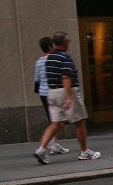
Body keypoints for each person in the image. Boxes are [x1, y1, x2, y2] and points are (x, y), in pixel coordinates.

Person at [33, 31, 100, 164]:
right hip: (66, 91)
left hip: (52, 92)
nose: (69, 43)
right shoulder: (65, 57)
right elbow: (65, 77)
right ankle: (84, 151)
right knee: (79, 121)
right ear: (63, 43)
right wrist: (69, 97)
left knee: (55, 122)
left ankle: (42, 149)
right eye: (68, 41)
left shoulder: (49, 58)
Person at [33, 36, 69, 155]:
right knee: (59, 119)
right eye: (53, 45)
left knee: (53, 119)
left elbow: (37, 79)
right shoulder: (54, 59)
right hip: (54, 91)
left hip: (43, 93)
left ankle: (53, 142)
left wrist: (40, 90)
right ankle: (49, 141)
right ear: (50, 46)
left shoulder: (39, 61)